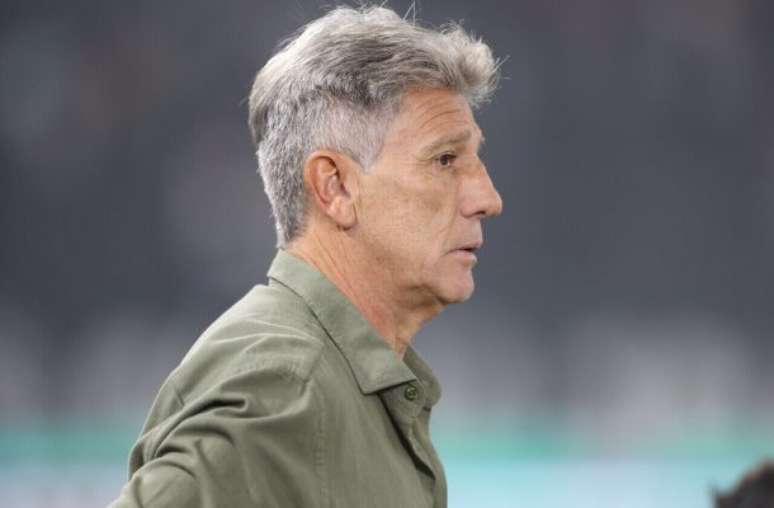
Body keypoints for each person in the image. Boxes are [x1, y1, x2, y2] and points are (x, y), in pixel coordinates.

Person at [110, 4, 502, 507]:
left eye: (475, 158)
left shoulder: (332, 380)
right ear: (335, 187)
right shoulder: (283, 390)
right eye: (444, 160)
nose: (488, 198)